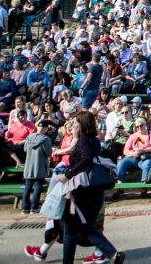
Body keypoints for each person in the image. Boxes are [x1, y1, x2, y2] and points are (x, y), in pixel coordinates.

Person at [57, 111, 124, 264]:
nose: (72, 125)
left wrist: (68, 174)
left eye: (75, 123)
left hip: (83, 190)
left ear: (82, 125)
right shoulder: (94, 140)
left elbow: (86, 159)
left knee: (70, 229)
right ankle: (113, 254)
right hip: (96, 190)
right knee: (87, 228)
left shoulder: (83, 141)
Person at [22, 120, 53, 214]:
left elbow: (25, 149)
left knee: (27, 186)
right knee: (37, 186)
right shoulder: (46, 139)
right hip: (39, 166)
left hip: (28, 166)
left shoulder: (29, 137)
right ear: (45, 128)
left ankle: (25, 208)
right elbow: (49, 153)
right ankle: (34, 208)